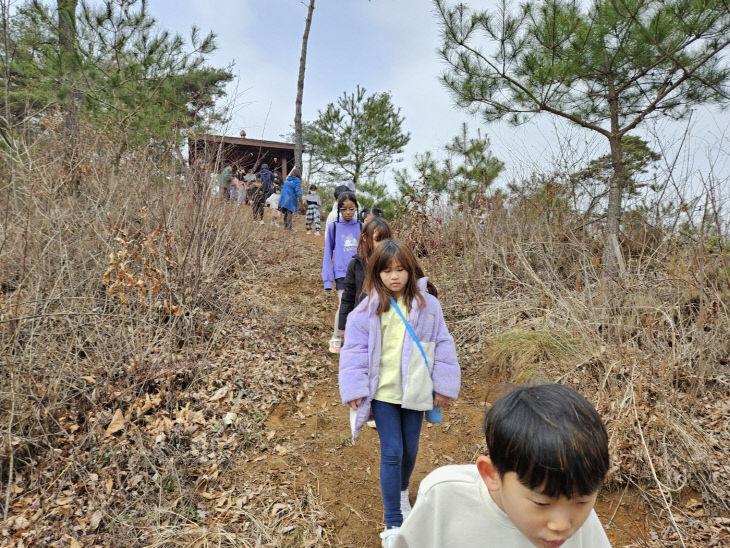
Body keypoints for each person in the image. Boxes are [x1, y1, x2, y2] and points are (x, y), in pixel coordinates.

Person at [339, 239, 461, 547]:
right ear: (376, 273)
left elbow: (443, 344)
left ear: (410, 270)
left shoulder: (428, 305)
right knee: (392, 452)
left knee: (410, 449)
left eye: (401, 269)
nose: (395, 276)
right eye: (387, 270)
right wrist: (354, 387)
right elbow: (354, 350)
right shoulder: (368, 309)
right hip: (383, 394)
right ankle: (393, 522)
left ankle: (403, 491)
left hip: (416, 392)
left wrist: (444, 385)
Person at [393, 384, 612, 548]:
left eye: (582, 501)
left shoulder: (583, 521)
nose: (561, 525)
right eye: (541, 503)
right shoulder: (444, 496)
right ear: (491, 474)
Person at [322, 191, 362, 353]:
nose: (348, 213)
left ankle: (353, 339)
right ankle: (336, 337)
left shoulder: (361, 226)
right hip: (341, 273)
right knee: (343, 305)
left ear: (356, 209)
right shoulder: (334, 227)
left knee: (357, 306)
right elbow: (327, 253)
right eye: (344, 209)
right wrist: (327, 279)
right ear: (339, 209)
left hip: (359, 273)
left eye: (351, 209)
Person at [338, 217, 392, 333]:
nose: (383, 245)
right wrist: (343, 324)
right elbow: (348, 296)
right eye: (378, 240)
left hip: (387, 322)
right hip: (361, 322)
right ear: (364, 238)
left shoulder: (393, 265)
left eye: (386, 240)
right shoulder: (356, 264)